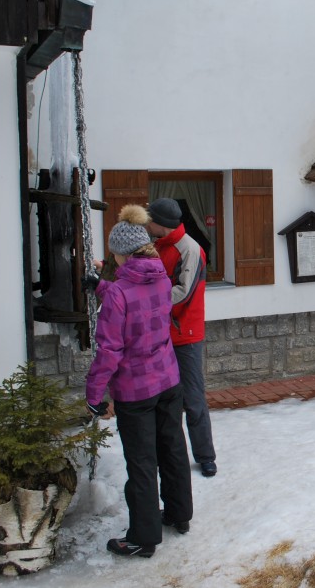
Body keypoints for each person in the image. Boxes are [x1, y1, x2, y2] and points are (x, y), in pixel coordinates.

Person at [85, 204, 193, 557]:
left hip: (136, 392)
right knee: (172, 450)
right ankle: (178, 514)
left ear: (123, 253)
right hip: (168, 381)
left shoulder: (120, 293)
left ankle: (143, 538)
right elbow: (136, 299)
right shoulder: (160, 278)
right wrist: (101, 287)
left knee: (142, 463)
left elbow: (109, 351)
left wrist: (93, 396)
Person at [145, 197, 217, 478]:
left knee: (193, 399)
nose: (146, 222)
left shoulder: (190, 248)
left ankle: (205, 456)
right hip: (160, 333)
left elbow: (183, 293)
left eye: (149, 218)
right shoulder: (157, 246)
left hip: (185, 336)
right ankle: (167, 454)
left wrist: (146, 300)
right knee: (162, 400)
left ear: (160, 223)